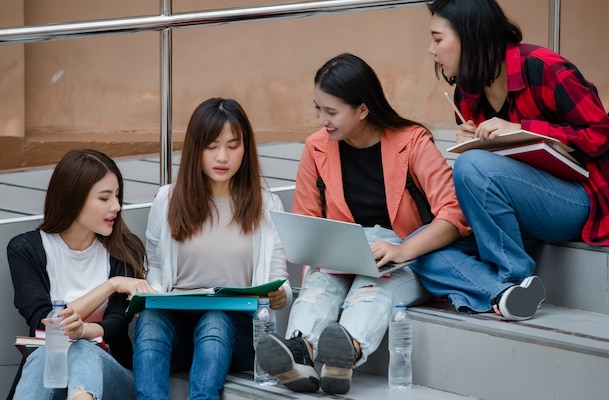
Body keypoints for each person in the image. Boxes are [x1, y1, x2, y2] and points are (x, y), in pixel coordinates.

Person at [256, 52, 472, 395]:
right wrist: (318, 259)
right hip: (342, 253)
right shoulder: (316, 148)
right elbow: (307, 220)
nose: (321, 119)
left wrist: (402, 250)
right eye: (317, 108)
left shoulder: (413, 141)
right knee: (317, 290)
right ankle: (301, 353)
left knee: (373, 291)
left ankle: (346, 352)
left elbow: (453, 213)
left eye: (331, 111)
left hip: (408, 252)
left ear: (363, 108)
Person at [419, 0, 609, 319]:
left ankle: (513, 277)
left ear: (471, 36)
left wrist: (521, 129)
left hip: (577, 200)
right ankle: (505, 295)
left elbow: (600, 134)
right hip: (513, 209)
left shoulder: (543, 67)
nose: (431, 50)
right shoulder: (468, 91)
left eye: (437, 38)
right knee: (420, 252)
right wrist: (471, 142)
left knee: (473, 167)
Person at [132, 97, 292, 400]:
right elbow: (154, 269)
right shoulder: (167, 200)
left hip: (236, 334)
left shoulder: (266, 204)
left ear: (246, 148)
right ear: (196, 148)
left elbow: (278, 279)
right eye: (212, 146)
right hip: (176, 327)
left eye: (233, 146)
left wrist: (281, 294)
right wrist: (149, 291)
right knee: (151, 322)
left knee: (215, 318)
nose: (223, 157)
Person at [7, 149, 153, 400]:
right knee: (50, 349)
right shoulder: (25, 250)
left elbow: (117, 326)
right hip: (48, 377)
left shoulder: (125, 251)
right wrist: (110, 286)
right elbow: (45, 323)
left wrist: (84, 331)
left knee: (82, 349)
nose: (116, 206)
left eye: (117, 196)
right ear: (73, 199)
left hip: (113, 378)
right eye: (105, 198)